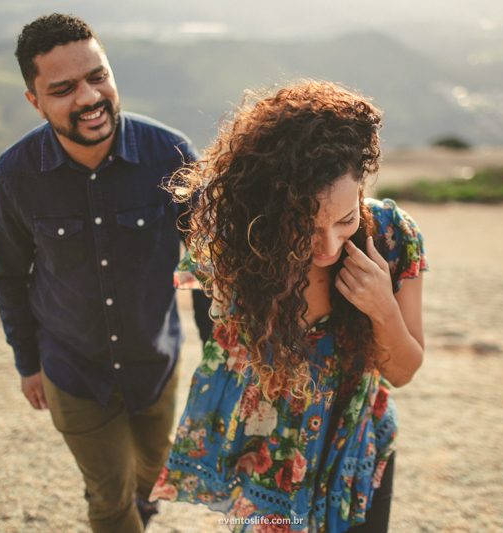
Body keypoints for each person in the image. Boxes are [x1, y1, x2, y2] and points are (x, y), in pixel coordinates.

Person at [149, 82, 427, 532]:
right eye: (305, 225)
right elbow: (221, 353)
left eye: (345, 219)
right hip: (268, 464)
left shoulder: (394, 237)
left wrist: (382, 308)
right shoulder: (239, 248)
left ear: (361, 188)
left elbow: (403, 372)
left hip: (355, 451)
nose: (329, 245)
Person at [0, 13, 212, 533]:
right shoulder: (16, 174)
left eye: (97, 76)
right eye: (63, 88)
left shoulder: (172, 155)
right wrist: (27, 361)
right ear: (35, 101)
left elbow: (205, 262)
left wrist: (216, 350)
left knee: (153, 473)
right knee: (109, 500)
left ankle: (144, 502)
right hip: (72, 370)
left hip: (155, 364)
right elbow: (8, 273)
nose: (88, 97)